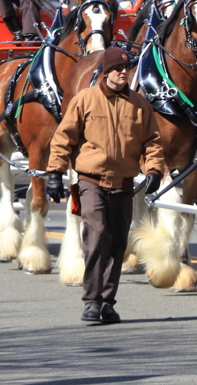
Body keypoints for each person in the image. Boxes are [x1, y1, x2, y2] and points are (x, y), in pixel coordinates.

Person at [47, 47, 165, 324]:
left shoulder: (139, 104)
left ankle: (107, 303)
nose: (123, 73)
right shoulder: (85, 100)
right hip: (91, 181)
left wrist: (154, 170)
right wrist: (55, 172)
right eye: (117, 68)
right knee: (98, 234)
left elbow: (152, 142)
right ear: (105, 71)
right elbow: (64, 137)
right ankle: (91, 300)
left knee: (117, 243)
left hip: (124, 183)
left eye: (126, 68)